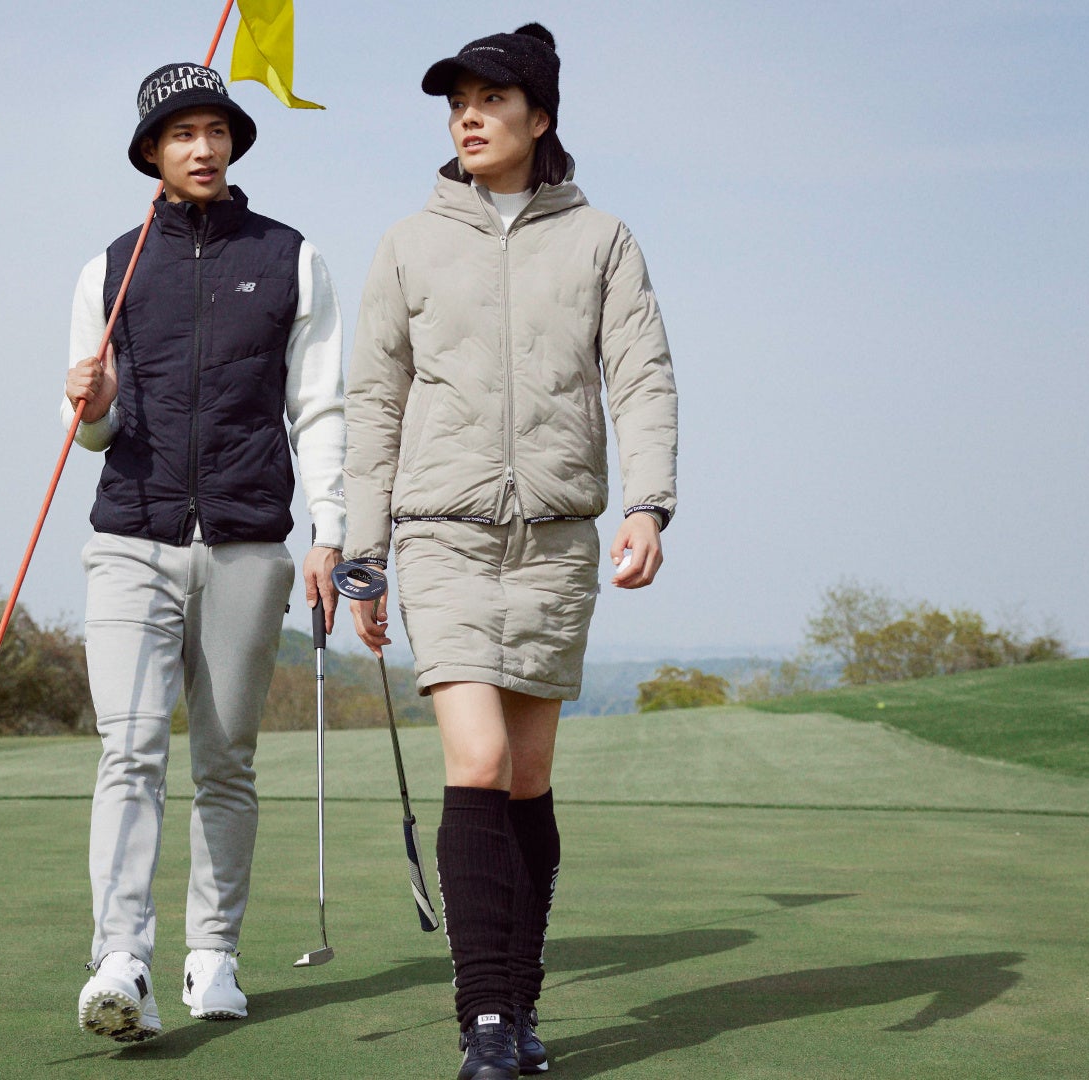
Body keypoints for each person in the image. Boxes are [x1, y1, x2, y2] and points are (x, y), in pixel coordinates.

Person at [343, 23, 679, 1080]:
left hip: (556, 545)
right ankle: (485, 1019)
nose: (470, 118)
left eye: (491, 100)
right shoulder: (407, 244)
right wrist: (363, 548)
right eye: (458, 104)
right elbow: (374, 402)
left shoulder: (603, 240)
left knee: (527, 778)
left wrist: (649, 505)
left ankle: (522, 1005)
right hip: (440, 535)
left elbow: (641, 376)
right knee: (480, 761)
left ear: (541, 116)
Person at [64, 61, 346, 1044]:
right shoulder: (110, 266)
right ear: (152, 151)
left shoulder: (291, 257)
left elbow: (319, 406)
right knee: (130, 749)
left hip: (247, 541)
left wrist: (332, 529)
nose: (203, 146)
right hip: (129, 537)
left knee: (227, 761)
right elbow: (91, 429)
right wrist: (93, 407)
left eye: (217, 130)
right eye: (182, 132)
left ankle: (212, 952)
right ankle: (122, 960)